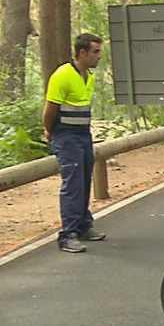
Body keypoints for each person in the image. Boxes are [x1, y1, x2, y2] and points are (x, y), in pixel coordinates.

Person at [43, 33, 106, 253]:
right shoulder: (63, 75)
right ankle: (67, 234)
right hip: (66, 135)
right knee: (73, 183)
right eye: (96, 52)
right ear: (82, 52)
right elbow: (50, 109)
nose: (99, 56)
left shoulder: (89, 76)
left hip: (83, 134)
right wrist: (50, 132)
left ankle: (83, 225)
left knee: (84, 178)